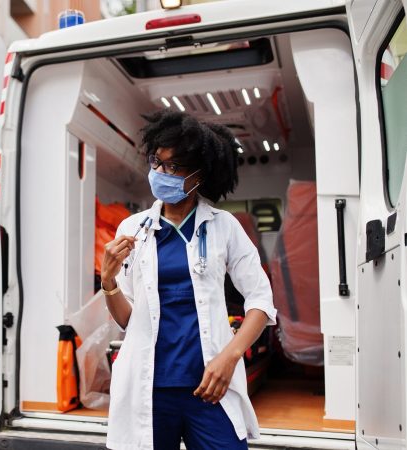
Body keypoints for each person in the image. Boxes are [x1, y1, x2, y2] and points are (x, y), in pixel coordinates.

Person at [102, 110, 277, 450]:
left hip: (210, 386)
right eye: (156, 162)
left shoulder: (224, 227)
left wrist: (230, 358)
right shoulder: (132, 228)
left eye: (174, 167)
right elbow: (128, 317)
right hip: (149, 388)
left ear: (199, 175)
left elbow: (260, 300)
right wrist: (108, 282)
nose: (160, 173)